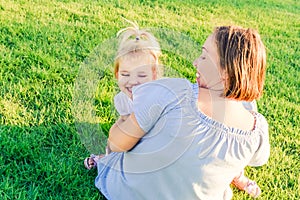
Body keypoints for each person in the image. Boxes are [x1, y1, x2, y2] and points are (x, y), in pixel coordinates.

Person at [92, 25, 270, 200]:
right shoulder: (256, 131)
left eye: (204, 57)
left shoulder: (174, 91)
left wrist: (123, 119)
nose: (195, 62)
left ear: (226, 72)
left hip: (129, 192)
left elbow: (117, 144)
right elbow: (257, 159)